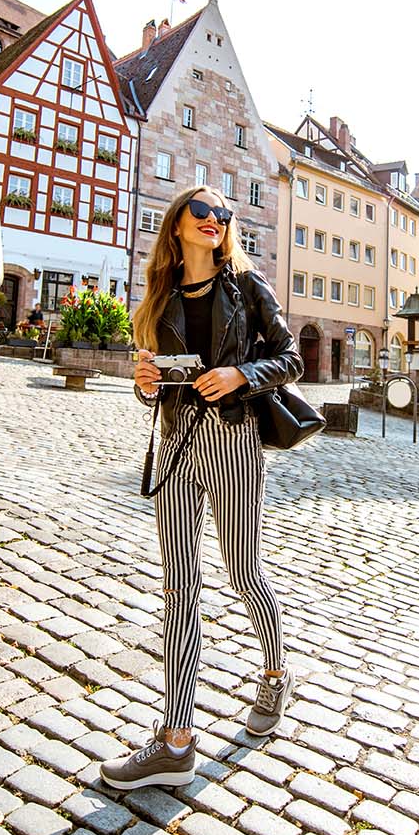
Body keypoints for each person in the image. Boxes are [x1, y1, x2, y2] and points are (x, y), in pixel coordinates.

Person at [98, 186, 303, 790]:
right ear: (178, 223)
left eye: (223, 214)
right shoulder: (159, 297)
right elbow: (153, 386)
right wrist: (144, 381)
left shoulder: (246, 283)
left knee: (242, 572)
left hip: (235, 439)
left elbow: (290, 359)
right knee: (180, 585)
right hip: (179, 445)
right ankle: (176, 739)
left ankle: (273, 674)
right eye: (203, 211)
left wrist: (241, 372)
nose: (215, 220)